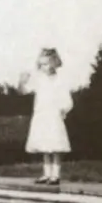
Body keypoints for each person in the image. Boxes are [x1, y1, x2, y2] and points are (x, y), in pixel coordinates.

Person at [19, 48, 73, 185]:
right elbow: (24, 91)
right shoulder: (39, 79)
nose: (44, 67)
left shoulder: (60, 79)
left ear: (54, 63)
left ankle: (56, 175)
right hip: (42, 114)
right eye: (41, 64)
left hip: (53, 114)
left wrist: (63, 109)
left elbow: (67, 99)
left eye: (47, 64)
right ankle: (46, 174)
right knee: (45, 146)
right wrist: (22, 82)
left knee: (55, 147)